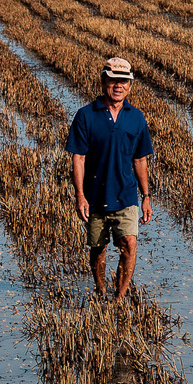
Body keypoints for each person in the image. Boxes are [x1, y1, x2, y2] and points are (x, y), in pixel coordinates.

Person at [66, 57, 153, 302]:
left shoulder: (136, 118)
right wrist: (80, 196)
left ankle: (119, 297)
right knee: (98, 249)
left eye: (123, 81)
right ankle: (100, 290)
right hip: (95, 195)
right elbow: (79, 159)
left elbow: (140, 160)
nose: (118, 85)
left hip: (126, 194)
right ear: (103, 81)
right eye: (113, 80)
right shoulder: (85, 115)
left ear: (130, 86)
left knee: (129, 244)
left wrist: (146, 196)